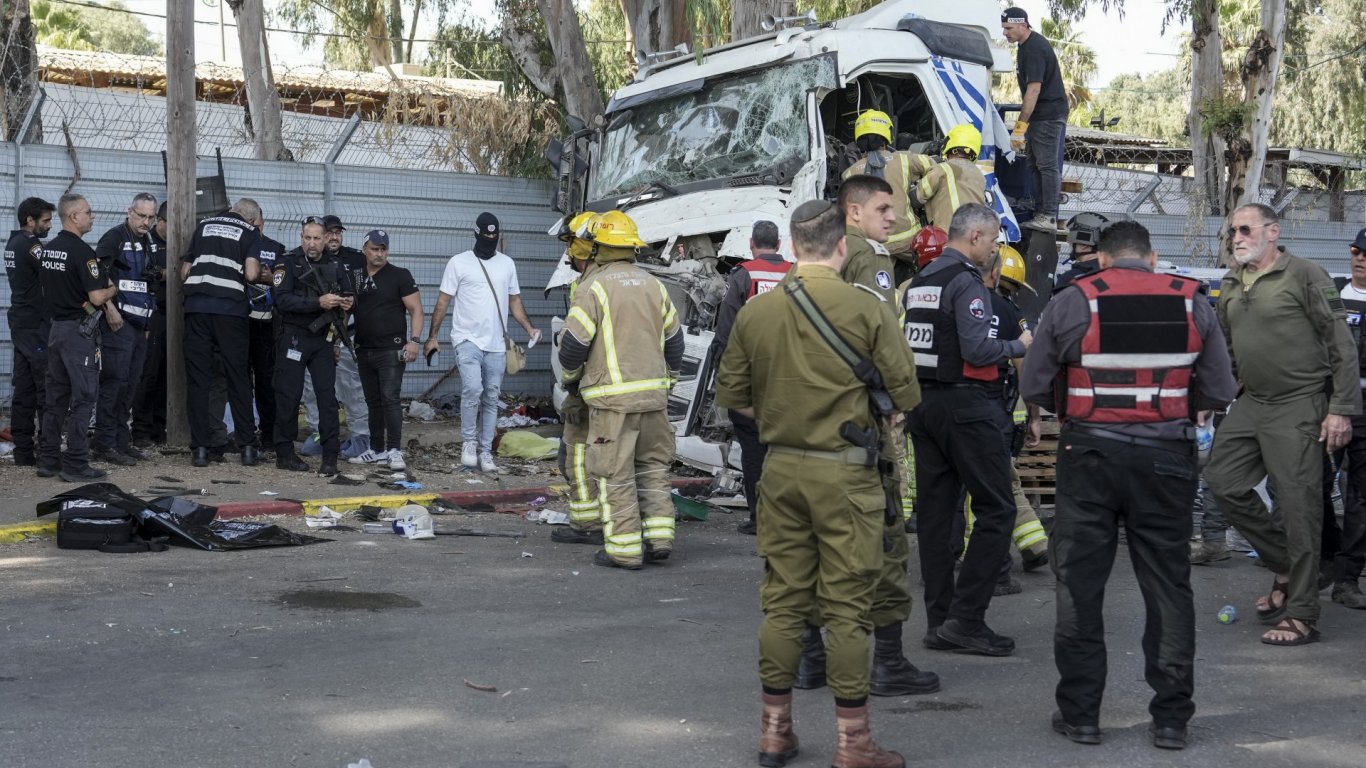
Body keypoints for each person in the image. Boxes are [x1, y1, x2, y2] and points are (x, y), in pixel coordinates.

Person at [716, 199, 920, 768]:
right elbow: (905, 394)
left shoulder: (758, 312)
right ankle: (854, 745)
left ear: (791, 242)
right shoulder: (866, 309)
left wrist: (785, 420)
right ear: (839, 246)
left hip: (780, 470)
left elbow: (734, 395)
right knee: (848, 609)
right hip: (846, 475)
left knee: (783, 604)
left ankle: (774, 733)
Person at [1022, 220, 1237, 750]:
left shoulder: (1074, 300)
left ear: (1101, 258)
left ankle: (1081, 716)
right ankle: (1171, 720)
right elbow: (1220, 388)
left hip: (1089, 455)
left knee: (1079, 586)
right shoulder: (1194, 301)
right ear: (1153, 257)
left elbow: (1033, 383)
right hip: (1167, 460)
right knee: (1168, 586)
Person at [1205, 203, 1361, 646]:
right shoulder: (1233, 280)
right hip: (1253, 402)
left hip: (1300, 404)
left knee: (1299, 507)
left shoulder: (1306, 275)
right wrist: (1214, 397)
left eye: (1246, 229)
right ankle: (1289, 565)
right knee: (1222, 481)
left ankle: (1303, 613)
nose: (1236, 237)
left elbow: (1341, 345)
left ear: (1273, 232)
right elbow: (1229, 348)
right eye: (1232, 230)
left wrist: (1340, 408)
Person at [905, 202, 1029, 657]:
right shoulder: (964, 282)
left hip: (925, 405)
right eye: (994, 241)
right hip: (965, 406)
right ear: (974, 237)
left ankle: (941, 623)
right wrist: (1020, 344)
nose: (995, 250)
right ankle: (967, 620)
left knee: (937, 520)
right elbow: (978, 350)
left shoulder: (921, 281)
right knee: (997, 509)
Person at [557, 210, 683, 569]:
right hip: (654, 397)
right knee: (653, 467)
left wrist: (571, 380)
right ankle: (660, 539)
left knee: (616, 473)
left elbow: (573, 346)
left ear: (598, 247)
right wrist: (669, 379)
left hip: (613, 401)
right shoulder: (653, 284)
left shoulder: (594, 287)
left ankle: (624, 550)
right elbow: (675, 340)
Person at [424, 212, 541, 473]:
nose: (490, 241)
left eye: (494, 237)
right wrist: (433, 336)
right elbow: (443, 301)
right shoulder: (459, 263)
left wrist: (530, 328)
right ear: (475, 234)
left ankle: (486, 452)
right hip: (466, 339)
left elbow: (515, 301)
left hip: (497, 343)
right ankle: (468, 443)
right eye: (486, 236)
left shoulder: (507, 264)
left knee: (491, 396)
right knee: (473, 389)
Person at [709, 219, 792, 536]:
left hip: (753, 376)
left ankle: (761, 519)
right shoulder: (795, 273)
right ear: (779, 244)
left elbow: (726, 328)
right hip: (791, 377)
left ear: (752, 245)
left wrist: (723, 372)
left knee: (754, 450)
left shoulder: (743, 275)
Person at [36, 193, 118, 482]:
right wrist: (113, 290)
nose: (92, 216)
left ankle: (48, 460)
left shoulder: (49, 249)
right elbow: (96, 296)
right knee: (84, 397)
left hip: (56, 330)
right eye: (88, 212)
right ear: (74, 216)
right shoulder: (83, 252)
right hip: (78, 332)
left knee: (55, 397)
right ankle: (75, 462)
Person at [181, 198, 264, 467]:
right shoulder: (250, 233)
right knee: (237, 376)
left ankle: (200, 450)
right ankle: (248, 448)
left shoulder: (203, 225)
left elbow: (185, 270)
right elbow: (251, 274)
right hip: (230, 311)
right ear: (252, 219)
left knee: (198, 379)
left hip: (196, 309)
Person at [273, 217, 352, 475]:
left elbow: (349, 294)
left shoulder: (336, 265)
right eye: (307, 238)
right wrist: (318, 302)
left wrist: (347, 303)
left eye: (317, 238)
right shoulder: (288, 262)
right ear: (301, 238)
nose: (312, 243)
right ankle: (284, 454)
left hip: (323, 340)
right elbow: (282, 300)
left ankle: (330, 456)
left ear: (326, 239)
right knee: (289, 395)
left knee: (327, 397)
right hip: (294, 336)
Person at [548, 212, 606, 547]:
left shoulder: (590, 286)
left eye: (571, 244)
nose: (568, 252)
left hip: (591, 387)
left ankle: (588, 523)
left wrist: (571, 388)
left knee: (577, 455)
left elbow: (576, 348)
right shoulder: (622, 280)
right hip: (614, 386)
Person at [90, 192, 159, 466]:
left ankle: (120, 441)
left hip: (139, 324)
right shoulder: (114, 237)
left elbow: (147, 285)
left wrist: (146, 323)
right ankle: (104, 443)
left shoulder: (148, 240)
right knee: (114, 383)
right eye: (141, 215)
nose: (146, 222)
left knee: (131, 384)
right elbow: (97, 274)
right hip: (117, 323)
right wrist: (110, 309)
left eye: (150, 217)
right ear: (129, 211)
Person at [347, 230, 423, 472]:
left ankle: (394, 450)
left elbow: (417, 310)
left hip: (392, 349)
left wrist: (414, 341)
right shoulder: (355, 276)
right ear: (364, 250)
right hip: (364, 348)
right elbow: (345, 310)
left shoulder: (400, 275)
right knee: (373, 401)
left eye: (383, 249)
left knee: (390, 399)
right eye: (374, 249)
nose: (379, 254)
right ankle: (377, 449)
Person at [842, 110, 936, 279]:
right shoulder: (904, 159)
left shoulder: (849, 174)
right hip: (908, 241)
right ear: (887, 135)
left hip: (873, 243)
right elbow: (934, 166)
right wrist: (918, 194)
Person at [1001, 7, 1068, 232]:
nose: (1005, 33)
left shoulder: (1035, 48)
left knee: (1046, 165)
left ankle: (1048, 215)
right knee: (1035, 164)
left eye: (1009, 28)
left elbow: (1033, 91)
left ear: (1023, 25)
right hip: (1041, 115)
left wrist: (1020, 126)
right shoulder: (1024, 47)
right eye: (1003, 28)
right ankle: (1041, 211)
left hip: (1047, 114)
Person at [1329, 227, 1366, 609]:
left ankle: (1347, 579)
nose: (1359, 258)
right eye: (1356, 250)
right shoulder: (1332, 292)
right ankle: (1319, 558)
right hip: (1330, 406)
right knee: (1310, 487)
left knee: (1360, 500)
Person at [3, 196, 55, 467]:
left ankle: (24, 451)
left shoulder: (13, 242)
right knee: (45, 387)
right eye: (45, 221)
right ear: (30, 220)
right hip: (35, 325)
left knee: (23, 388)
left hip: (22, 323)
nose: (49, 226)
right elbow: (52, 272)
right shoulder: (31, 244)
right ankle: (48, 451)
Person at [317, 213, 372, 459]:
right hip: (318, 334)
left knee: (352, 388)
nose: (334, 237)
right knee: (314, 389)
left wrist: (353, 302)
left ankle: (360, 438)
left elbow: (367, 291)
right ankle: (319, 436)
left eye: (338, 233)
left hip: (350, 334)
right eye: (329, 233)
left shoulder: (356, 260)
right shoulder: (313, 258)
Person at [130, 202, 169, 447]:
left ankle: (158, 427)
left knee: (168, 374)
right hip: (150, 315)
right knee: (148, 373)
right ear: (161, 221)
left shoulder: (182, 243)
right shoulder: (147, 242)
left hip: (173, 316)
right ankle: (141, 430)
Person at [910, 123, 988, 232]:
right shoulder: (979, 174)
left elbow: (917, 197)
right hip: (974, 236)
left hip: (949, 236)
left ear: (949, 145)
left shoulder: (942, 169)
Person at [838, 174, 898, 304]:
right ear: (855, 212)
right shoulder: (870, 254)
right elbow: (881, 319)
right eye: (882, 209)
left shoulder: (820, 248)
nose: (892, 217)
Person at [1055, 212, 1115, 289]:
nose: (1068, 242)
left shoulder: (1070, 279)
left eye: (1071, 238)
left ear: (1084, 245)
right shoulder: (1116, 274)